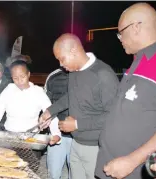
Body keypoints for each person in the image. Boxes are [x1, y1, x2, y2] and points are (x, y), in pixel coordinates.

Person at [95, 3, 156, 179]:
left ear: (136, 27)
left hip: (134, 171)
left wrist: (132, 161)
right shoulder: (138, 62)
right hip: (111, 167)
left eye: (121, 32)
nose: (119, 38)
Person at [39, 33, 119, 179]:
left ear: (73, 51)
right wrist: (50, 111)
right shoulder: (74, 72)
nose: (61, 65)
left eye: (62, 59)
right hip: (76, 143)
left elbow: (114, 116)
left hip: (96, 147)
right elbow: (71, 96)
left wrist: (77, 124)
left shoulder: (103, 74)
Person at [0, 60, 61, 146]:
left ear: (28, 74)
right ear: (12, 77)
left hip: (31, 138)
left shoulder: (38, 92)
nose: (19, 81)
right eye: (15, 78)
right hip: (9, 137)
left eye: (22, 77)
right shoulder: (8, 90)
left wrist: (56, 134)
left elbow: (50, 113)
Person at [44, 68, 72, 179]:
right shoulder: (53, 76)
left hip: (78, 135)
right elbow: (46, 103)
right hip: (56, 133)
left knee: (76, 174)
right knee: (53, 173)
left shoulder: (84, 75)